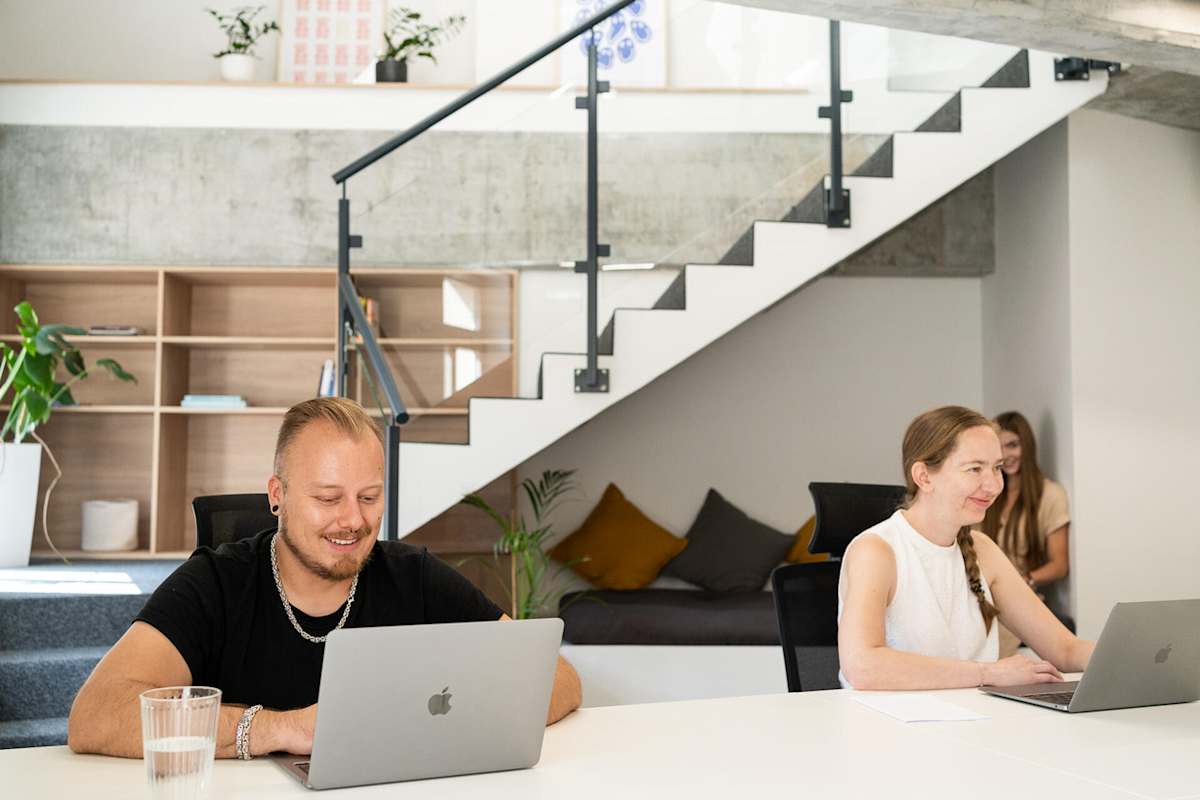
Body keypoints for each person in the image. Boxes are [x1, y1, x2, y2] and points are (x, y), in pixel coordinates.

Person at [67, 397, 582, 759]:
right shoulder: (215, 582)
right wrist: (283, 729)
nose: (353, 521)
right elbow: (96, 714)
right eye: (328, 498)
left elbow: (558, 679)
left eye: (369, 497)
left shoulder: (413, 577)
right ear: (277, 495)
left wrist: (447, 724)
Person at [837, 405, 1093, 690]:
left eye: (997, 468)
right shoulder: (876, 551)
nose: (994, 485)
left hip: (971, 722)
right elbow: (862, 666)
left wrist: (1138, 659)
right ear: (924, 477)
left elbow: (1064, 649)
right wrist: (988, 674)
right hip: (891, 728)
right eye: (974, 469)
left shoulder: (982, 549)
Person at [982, 411, 1072, 655]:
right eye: (1000, 448)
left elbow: (1059, 564)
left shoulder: (1050, 495)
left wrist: (1025, 580)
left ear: (1027, 446)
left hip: (1020, 600)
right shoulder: (987, 494)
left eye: (1013, 445)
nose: (1006, 455)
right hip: (983, 599)